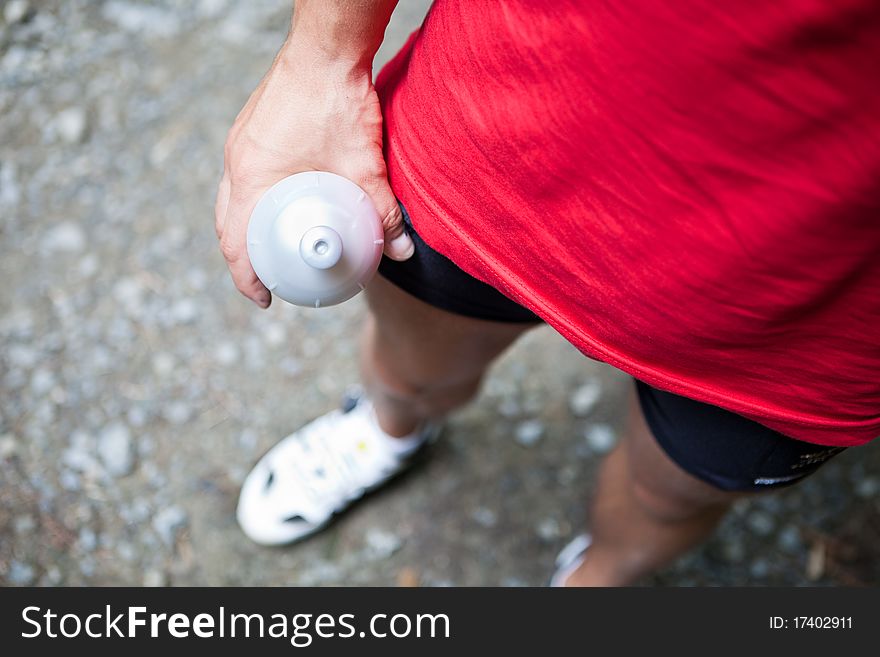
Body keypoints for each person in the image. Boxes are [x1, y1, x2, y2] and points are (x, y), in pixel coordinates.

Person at [214, 0, 880, 585]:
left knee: (666, 498)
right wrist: (321, 62)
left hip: (813, 313)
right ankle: (389, 430)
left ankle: (598, 582)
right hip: (496, 142)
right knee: (410, 370)